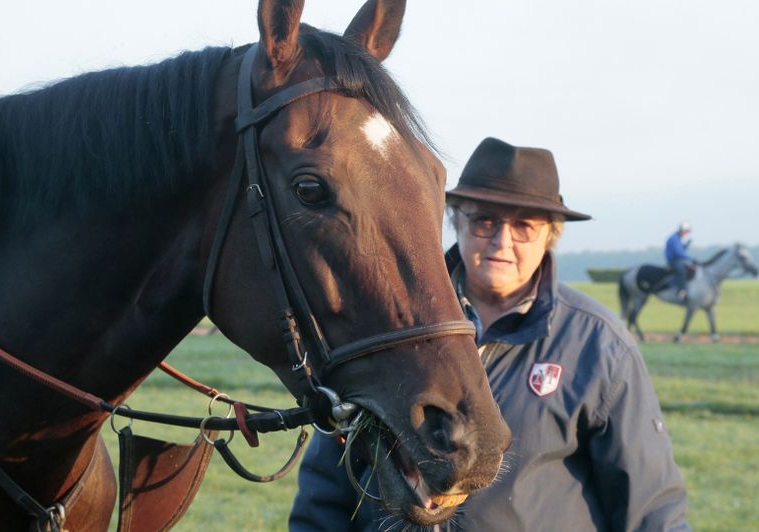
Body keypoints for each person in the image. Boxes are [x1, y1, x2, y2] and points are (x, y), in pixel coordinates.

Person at [289, 137, 690, 531]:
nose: (502, 242)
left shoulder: (599, 345)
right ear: (455, 221)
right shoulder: (383, 324)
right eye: (485, 221)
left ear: (550, 237)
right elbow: (327, 485)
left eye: (523, 227)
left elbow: (651, 508)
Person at [665, 222, 694, 300]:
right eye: (686, 232)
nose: (686, 234)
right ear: (683, 230)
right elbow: (678, 253)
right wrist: (690, 259)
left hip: (678, 260)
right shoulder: (674, 239)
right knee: (682, 272)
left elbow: (680, 250)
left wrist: (685, 246)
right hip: (674, 261)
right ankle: (681, 292)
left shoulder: (677, 238)